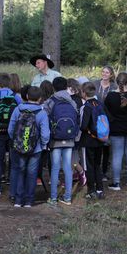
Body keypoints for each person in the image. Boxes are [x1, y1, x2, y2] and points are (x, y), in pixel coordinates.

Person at [8, 86, 50, 207]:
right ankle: (29, 200)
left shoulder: (18, 110)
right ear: (40, 98)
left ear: (26, 96)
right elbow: (45, 134)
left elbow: (11, 129)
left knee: (20, 171)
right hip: (35, 149)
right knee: (32, 174)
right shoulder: (42, 113)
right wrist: (42, 145)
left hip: (18, 146)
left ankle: (18, 200)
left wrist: (16, 141)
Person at [44, 77, 79, 206]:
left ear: (53, 87)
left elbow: (45, 119)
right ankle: (68, 197)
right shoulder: (72, 102)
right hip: (69, 139)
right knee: (68, 168)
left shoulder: (50, 101)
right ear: (66, 87)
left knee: (55, 168)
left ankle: (53, 198)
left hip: (55, 139)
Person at [79, 82, 105, 199]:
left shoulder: (86, 107)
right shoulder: (100, 104)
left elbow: (83, 126)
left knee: (88, 165)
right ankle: (100, 189)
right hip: (100, 139)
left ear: (84, 93)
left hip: (88, 140)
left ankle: (91, 190)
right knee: (97, 164)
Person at [93, 66, 117, 181]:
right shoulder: (95, 84)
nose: (104, 74)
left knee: (106, 145)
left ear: (111, 74)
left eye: (107, 72)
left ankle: (104, 171)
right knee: (96, 144)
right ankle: (95, 169)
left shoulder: (114, 86)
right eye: (103, 71)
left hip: (108, 118)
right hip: (95, 117)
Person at [67, 78, 86, 186]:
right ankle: (75, 173)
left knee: (71, 155)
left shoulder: (69, 99)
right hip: (78, 131)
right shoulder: (81, 100)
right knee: (73, 154)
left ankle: (80, 172)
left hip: (72, 131)